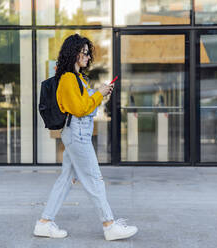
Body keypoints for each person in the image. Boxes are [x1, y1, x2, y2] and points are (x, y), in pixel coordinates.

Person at [33, 34, 138, 241]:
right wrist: (99, 94)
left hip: (79, 133)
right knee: (94, 178)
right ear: (73, 53)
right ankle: (109, 225)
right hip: (76, 135)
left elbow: (86, 105)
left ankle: (44, 223)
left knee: (66, 180)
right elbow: (80, 109)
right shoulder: (68, 79)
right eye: (84, 53)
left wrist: (101, 92)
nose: (88, 57)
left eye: (89, 54)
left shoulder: (78, 78)